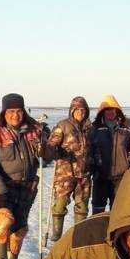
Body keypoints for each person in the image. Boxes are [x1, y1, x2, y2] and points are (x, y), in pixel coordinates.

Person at [0, 93, 47, 259]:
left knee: (19, 228)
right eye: (11, 111)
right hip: (3, 186)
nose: (15, 115)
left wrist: (47, 147)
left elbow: (44, 157)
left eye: (19, 111)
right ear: (4, 111)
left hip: (27, 187)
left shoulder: (33, 132)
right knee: (2, 220)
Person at [44, 96, 95, 241]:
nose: (81, 113)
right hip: (65, 174)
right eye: (78, 110)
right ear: (72, 111)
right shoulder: (63, 126)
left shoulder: (89, 128)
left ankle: (78, 236)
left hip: (84, 174)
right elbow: (51, 145)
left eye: (84, 110)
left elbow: (93, 149)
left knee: (82, 206)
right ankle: (57, 234)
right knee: (60, 205)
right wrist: (52, 151)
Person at [91, 95, 130, 215]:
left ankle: (115, 234)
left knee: (118, 212)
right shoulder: (95, 128)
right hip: (100, 177)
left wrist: (128, 162)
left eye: (113, 109)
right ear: (102, 111)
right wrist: (96, 163)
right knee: (98, 211)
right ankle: (99, 234)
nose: (110, 112)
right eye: (107, 110)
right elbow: (89, 148)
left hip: (120, 177)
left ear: (117, 110)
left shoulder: (126, 128)